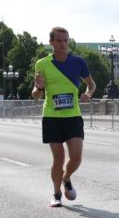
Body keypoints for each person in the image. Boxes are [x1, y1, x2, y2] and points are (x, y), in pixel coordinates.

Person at [32, 27, 96, 207]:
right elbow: (36, 95)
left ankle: (66, 178)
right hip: (52, 116)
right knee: (58, 158)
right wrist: (39, 87)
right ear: (51, 42)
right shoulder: (42, 64)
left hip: (73, 115)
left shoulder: (78, 62)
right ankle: (56, 193)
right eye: (59, 41)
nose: (63, 44)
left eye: (66, 40)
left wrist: (88, 94)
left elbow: (91, 85)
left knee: (76, 157)